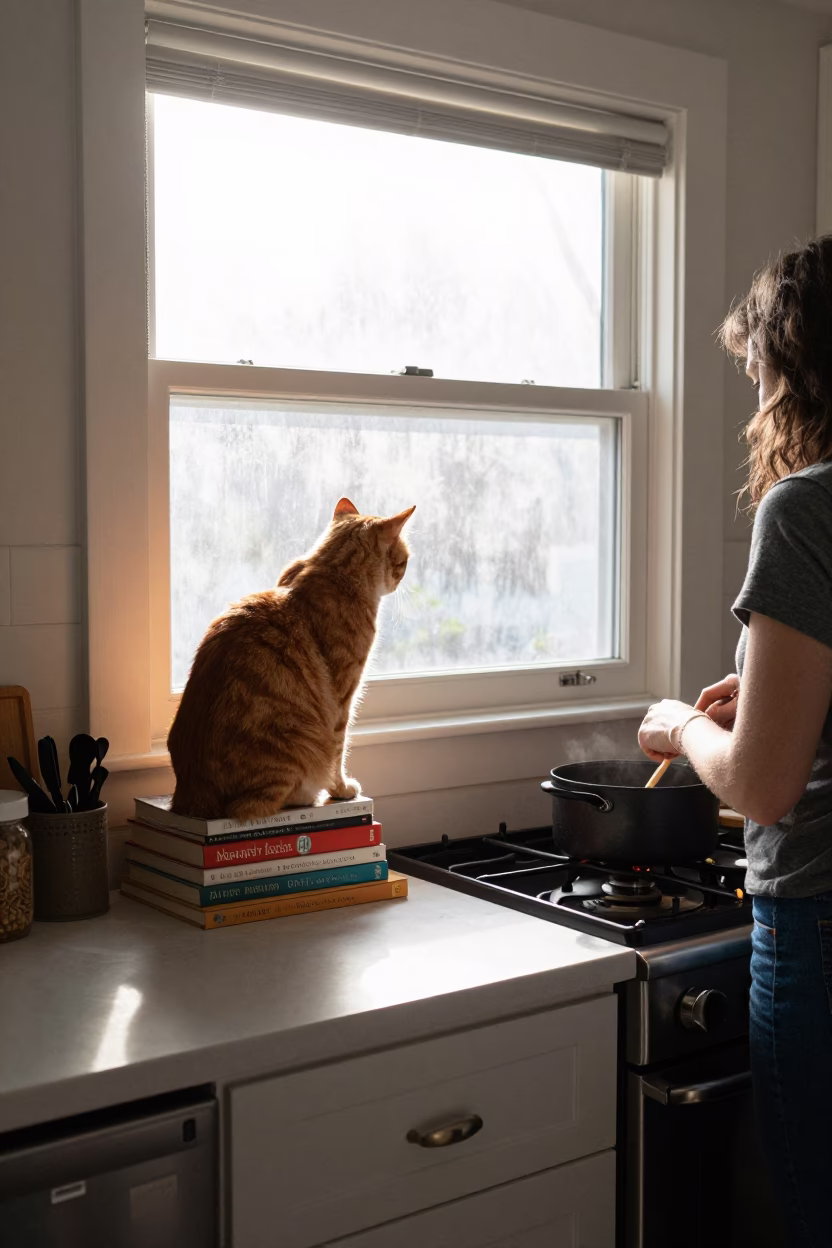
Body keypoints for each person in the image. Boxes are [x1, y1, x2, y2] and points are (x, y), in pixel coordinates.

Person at [639, 237, 832, 1248]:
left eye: (758, 374)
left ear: (798, 371)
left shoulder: (806, 509)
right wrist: (770, 688)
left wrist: (679, 726)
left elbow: (761, 786)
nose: (755, 404)